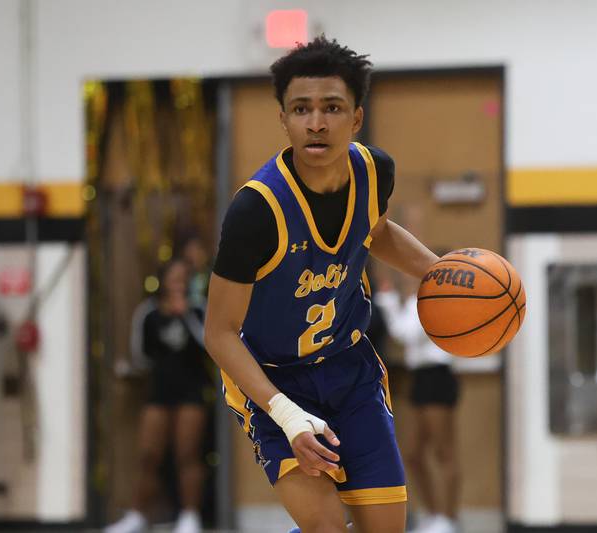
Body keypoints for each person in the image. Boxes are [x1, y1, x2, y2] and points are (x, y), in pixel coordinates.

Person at [204, 36, 441, 533]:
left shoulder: (376, 172)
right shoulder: (256, 211)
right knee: (328, 527)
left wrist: (440, 273)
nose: (316, 122)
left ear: (355, 117)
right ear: (284, 119)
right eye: (301, 109)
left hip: (348, 369)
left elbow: (374, 230)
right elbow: (219, 333)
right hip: (272, 381)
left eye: (332, 108)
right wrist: (287, 416)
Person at [106, 259, 209, 533]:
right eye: (174, 277)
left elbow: (211, 344)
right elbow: (140, 355)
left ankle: (190, 516)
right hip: (160, 391)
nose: (179, 283)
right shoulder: (148, 313)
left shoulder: (198, 310)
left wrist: (185, 315)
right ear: (162, 280)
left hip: (191, 389)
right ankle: (137, 515)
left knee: (187, 453)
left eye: (184, 278)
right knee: (148, 455)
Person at [375, 275, 462, 533]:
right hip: (420, 378)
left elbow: (407, 333)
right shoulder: (418, 300)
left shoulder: (437, 301)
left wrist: (389, 302)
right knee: (412, 453)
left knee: (444, 451)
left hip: (438, 375)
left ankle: (449, 518)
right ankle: (434, 514)